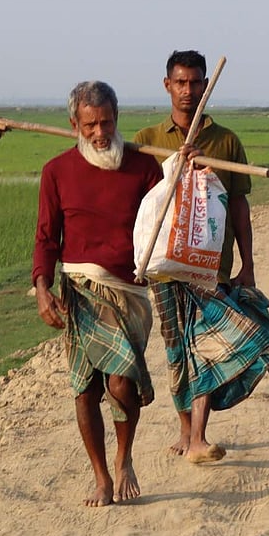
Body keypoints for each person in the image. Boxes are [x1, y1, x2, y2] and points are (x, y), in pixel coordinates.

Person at [133, 49, 269, 464]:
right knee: (176, 346)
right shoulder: (147, 140)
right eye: (180, 83)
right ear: (167, 86)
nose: (188, 90)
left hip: (208, 264)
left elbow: (238, 205)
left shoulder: (225, 141)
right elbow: (140, 207)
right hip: (164, 267)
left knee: (205, 344)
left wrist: (247, 263)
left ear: (205, 85)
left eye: (196, 82)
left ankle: (198, 436)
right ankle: (186, 430)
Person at [32, 80, 163, 506]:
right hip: (80, 290)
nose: (100, 132)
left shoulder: (145, 167)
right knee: (85, 388)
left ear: (117, 118)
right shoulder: (57, 172)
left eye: (106, 122)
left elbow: (164, 225)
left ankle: (124, 457)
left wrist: (186, 170)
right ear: (75, 124)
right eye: (90, 125)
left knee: (122, 382)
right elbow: (47, 237)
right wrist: (41, 287)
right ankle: (102, 476)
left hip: (129, 291)